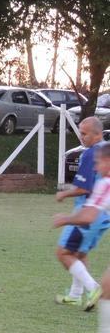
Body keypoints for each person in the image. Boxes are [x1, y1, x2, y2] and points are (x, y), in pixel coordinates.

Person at [53, 142, 110, 333]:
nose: (95, 168)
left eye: (98, 163)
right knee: (106, 287)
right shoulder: (104, 183)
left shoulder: (105, 184)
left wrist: (65, 219)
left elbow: (88, 217)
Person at [54, 117, 109, 309]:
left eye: (84, 133)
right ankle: (75, 294)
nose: (81, 136)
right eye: (80, 131)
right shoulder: (106, 149)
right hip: (104, 215)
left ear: (97, 134)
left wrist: (64, 193)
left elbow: (84, 188)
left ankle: (93, 288)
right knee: (80, 252)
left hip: (88, 212)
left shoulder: (91, 154)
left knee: (63, 253)